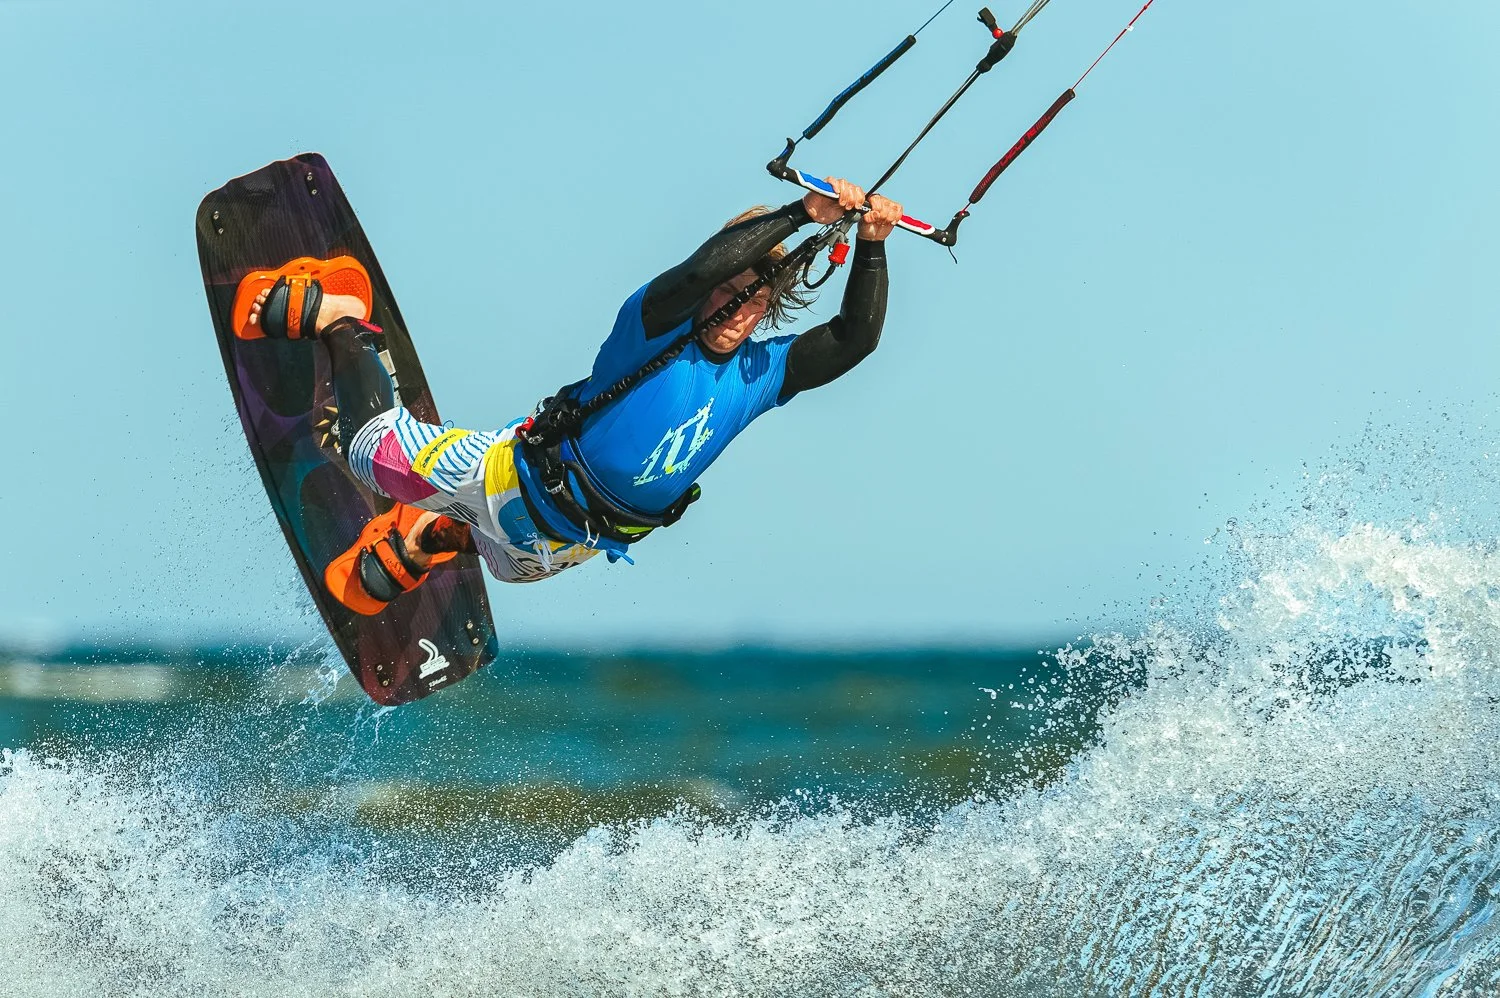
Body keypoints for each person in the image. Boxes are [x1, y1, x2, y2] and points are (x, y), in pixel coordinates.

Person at [232, 180, 902, 614]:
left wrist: (871, 245)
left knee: (500, 570)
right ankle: (341, 316)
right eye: (732, 291)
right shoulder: (656, 325)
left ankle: (436, 532)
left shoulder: (761, 376)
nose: (739, 306)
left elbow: (854, 339)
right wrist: (801, 214)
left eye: (757, 298)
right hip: (502, 478)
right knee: (366, 449)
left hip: (564, 544)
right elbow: (702, 268)